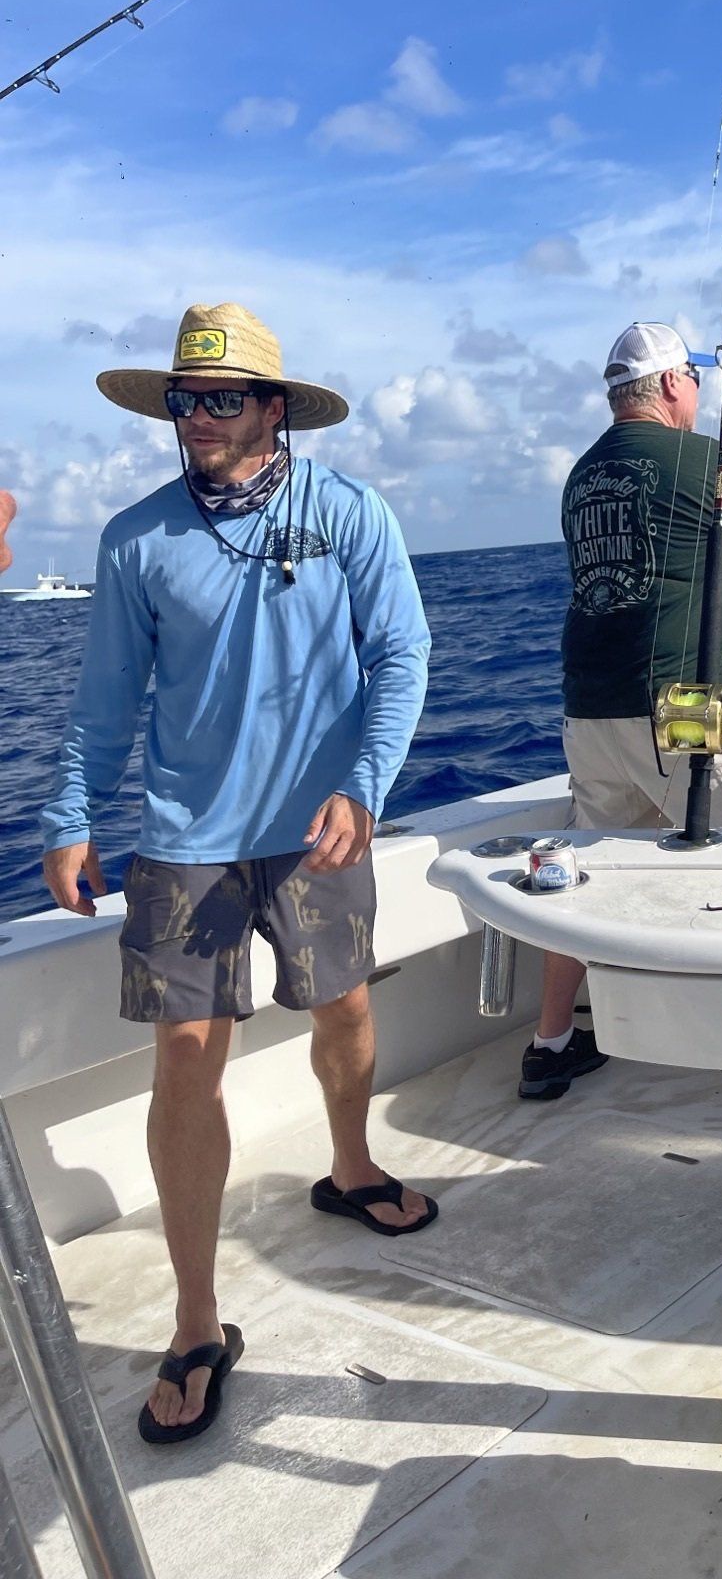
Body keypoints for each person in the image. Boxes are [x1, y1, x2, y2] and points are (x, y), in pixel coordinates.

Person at [40, 302, 434, 1446]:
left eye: (221, 397)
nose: (197, 417)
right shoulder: (135, 540)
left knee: (347, 1008)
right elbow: (106, 700)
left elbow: (401, 650)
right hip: (185, 835)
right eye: (183, 397)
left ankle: (349, 1163)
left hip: (322, 826)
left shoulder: (351, 512)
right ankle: (198, 1316)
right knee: (184, 1056)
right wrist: (71, 812)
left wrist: (365, 780)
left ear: (273, 409)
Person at [521, 321, 722, 1103]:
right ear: (675, 385)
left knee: (581, 875)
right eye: (696, 379)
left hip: (591, 708)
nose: (701, 393)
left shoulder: (582, 476)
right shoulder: (709, 460)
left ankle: (549, 1045)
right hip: (683, 705)